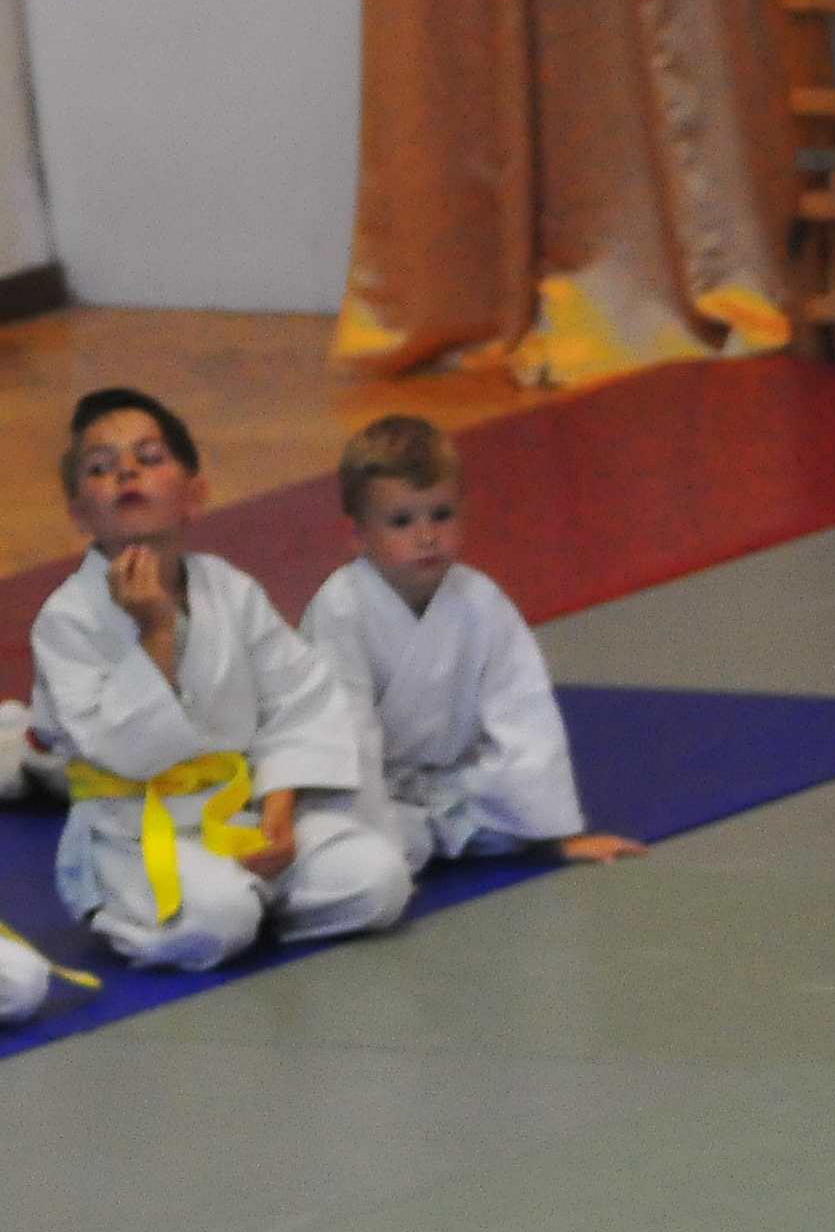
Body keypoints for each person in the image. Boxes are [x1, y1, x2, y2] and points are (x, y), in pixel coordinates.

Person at [29, 389, 410, 973]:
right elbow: (123, 750)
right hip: (135, 831)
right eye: (101, 468)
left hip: (239, 813)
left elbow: (296, 702)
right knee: (221, 919)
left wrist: (279, 810)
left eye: (149, 458)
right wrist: (156, 631)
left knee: (379, 880)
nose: (126, 472)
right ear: (80, 513)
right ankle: (128, 909)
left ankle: (255, 902)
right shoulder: (67, 619)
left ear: (195, 494)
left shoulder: (229, 589)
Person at [301, 416, 642, 878]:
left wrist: (554, 831)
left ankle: (445, 833)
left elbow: (522, 709)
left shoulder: (479, 601)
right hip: (370, 792)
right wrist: (373, 827)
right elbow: (346, 730)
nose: (426, 536)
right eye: (401, 522)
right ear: (356, 533)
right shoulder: (340, 610)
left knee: (502, 824)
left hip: (448, 788)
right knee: (366, 855)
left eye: (441, 515)